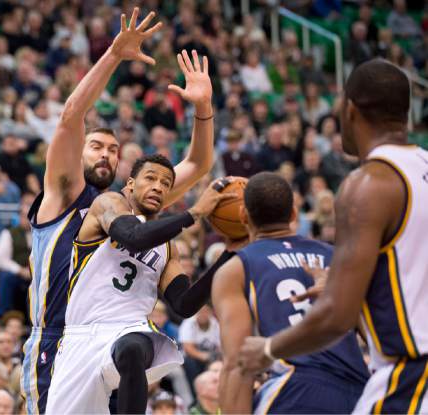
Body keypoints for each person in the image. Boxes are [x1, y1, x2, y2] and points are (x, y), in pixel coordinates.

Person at [22, 7, 216, 414]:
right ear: (79, 154)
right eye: (96, 146)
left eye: (113, 149)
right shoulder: (64, 192)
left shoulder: (130, 202)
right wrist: (113, 55)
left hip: (113, 338)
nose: (106, 153)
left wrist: (202, 109)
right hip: (58, 339)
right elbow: (72, 115)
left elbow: (197, 166)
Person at [237, 61, 428, 413]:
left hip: (410, 377)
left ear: (349, 109)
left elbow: (337, 317)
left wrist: (267, 350)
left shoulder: (368, 184)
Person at [46, 155, 235, 414]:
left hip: (130, 329)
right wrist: (194, 213)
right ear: (131, 184)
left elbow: (184, 304)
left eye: (166, 183)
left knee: (132, 348)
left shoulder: (169, 248)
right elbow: (133, 237)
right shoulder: (107, 204)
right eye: (151, 178)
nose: (158, 186)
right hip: (81, 337)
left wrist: (230, 253)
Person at [213, 172, 370, 413]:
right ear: (294, 214)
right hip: (358, 393)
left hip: (294, 388)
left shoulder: (237, 268)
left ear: (244, 215)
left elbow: (238, 363)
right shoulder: (337, 257)